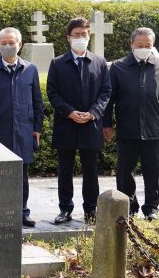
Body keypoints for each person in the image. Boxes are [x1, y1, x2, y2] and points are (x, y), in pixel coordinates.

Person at [103, 27, 159, 220]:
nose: (144, 48)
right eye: (140, 45)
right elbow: (109, 99)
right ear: (132, 45)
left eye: (148, 45)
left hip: (153, 128)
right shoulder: (118, 67)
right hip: (127, 128)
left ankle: (151, 208)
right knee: (124, 171)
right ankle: (128, 205)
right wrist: (106, 124)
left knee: (153, 171)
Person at [47, 17, 111, 225]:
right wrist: (70, 112)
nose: (80, 38)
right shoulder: (57, 63)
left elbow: (105, 92)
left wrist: (93, 113)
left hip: (91, 125)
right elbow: (53, 93)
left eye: (84, 35)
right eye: (76, 35)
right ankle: (65, 209)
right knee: (65, 169)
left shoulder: (99, 62)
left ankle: (91, 209)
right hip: (66, 124)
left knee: (90, 170)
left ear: (89, 36)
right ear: (68, 37)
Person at [0, 28, 43, 227]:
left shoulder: (30, 70)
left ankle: (23, 211)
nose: (8, 46)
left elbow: (38, 103)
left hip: (23, 131)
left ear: (20, 44)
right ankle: (0, 211)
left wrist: (37, 129)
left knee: (22, 175)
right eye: (4, 43)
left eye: (11, 42)